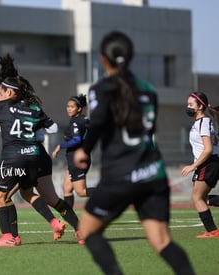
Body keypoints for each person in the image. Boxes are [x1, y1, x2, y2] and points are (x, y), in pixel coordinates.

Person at [73, 31, 195, 274]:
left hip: (121, 174)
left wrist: (83, 150)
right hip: (153, 172)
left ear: (102, 58)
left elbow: (98, 123)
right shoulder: (148, 89)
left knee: (87, 231)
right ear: (130, 57)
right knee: (162, 242)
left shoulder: (102, 88)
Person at [0, 75, 65, 247]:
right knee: (26, 193)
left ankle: (8, 236)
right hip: (33, 157)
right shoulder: (28, 109)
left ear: (5, 92)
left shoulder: (2, 108)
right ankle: (51, 223)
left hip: (14, 158)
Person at [181, 91, 219, 238]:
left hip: (208, 163)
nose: (188, 106)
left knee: (197, 197)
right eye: (188, 104)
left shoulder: (203, 122)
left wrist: (193, 166)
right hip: (208, 163)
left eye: (191, 104)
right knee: (200, 198)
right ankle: (212, 230)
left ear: (200, 107)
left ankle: (212, 231)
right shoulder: (200, 122)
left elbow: (208, 149)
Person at [52, 94, 92, 208]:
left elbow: (76, 139)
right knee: (67, 188)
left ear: (79, 108)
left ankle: (108, 192)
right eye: (67, 106)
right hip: (79, 158)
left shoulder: (76, 121)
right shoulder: (84, 120)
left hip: (77, 160)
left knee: (81, 192)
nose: (69, 109)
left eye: (72, 107)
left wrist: (60, 146)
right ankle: (70, 216)